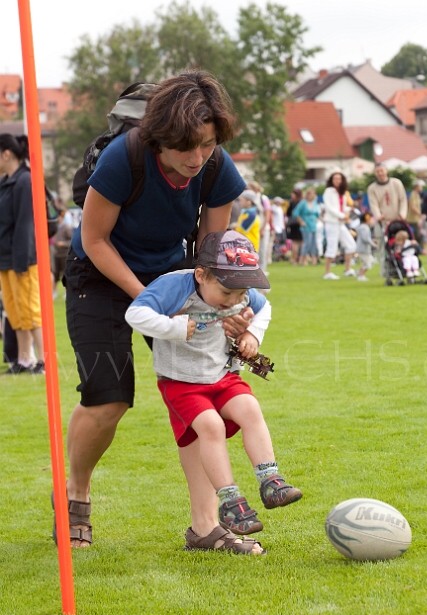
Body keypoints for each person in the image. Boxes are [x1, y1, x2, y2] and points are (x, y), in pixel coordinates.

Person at [60, 70, 252, 548]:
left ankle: (205, 526)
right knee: (109, 397)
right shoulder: (123, 159)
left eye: (207, 145)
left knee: (200, 393)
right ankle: (75, 492)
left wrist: (222, 307)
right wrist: (145, 300)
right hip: (100, 276)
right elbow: (94, 239)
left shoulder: (215, 167)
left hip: (175, 278)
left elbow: (212, 253)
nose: (196, 158)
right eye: (186, 147)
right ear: (160, 137)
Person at [125, 230, 302, 554]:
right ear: (201, 274)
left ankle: (271, 481)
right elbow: (135, 314)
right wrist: (175, 328)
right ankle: (230, 501)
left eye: (242, 293)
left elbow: (265, 308)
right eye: (226, 292)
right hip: (182, 382)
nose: (235, 300)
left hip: (222, 374)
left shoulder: (239, 293)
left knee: (250, 409)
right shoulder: (173, 286)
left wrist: (252, 335)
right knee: (211, 427)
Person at [0, 134, 45, 375]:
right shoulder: (4, 182)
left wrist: (21, 260)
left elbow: (25, 224)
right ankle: (24, 358)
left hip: (22, 259)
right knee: (15, 312)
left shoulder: (24, 181)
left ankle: (43, 359)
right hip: (5, 259)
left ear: (6, 153)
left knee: (30, 310)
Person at [367, 163, 408, 276]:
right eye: (378, 171)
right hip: (383, 221)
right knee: (383, 246)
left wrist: (402, 214)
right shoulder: (372, 188)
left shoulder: (396, 183)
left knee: (400, 244)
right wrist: (378, 215)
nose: (380, 173)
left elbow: (403, 199)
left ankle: (403, 267)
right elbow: (373, 204)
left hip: (397, 220)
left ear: (386, 171)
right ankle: (386, 271)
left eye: (382, 170)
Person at [322, 171, 357, 279]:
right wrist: (342, 215)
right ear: (332, 180)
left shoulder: (342, 193)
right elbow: (329, 207)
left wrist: (348, 210)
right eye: (335, 179)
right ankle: (327, 273)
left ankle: (347, 269)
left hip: (340, 223)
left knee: (351, 245)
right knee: (332, 247)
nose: (337, 181)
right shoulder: (329, 191)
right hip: (332, 223)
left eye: (339, 179)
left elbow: (341, 206)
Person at [292, 185, 321, 266]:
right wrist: (301, 221)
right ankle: (302, 259)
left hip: (313, 225)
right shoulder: (303, 203)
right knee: (306, 243)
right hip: (305, 225)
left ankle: (314, 259)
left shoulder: (315, 203)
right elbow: (295, 213)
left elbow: (317, 214)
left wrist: (317, 219)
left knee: (313, 243)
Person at [51, 206, 74, 298]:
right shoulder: (55, 228)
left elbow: (71, 242)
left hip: (64, 254)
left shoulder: (66, 228)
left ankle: (67, 292)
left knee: (65, 274)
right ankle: (54, 292)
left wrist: (63, 244)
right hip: (55, 254)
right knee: (55, 274)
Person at [355, 212, 377, 281]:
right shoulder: (364, 228)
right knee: (368, 263)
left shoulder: (364, 227)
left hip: (364, 249)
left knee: (369, 261)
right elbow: (365, 238)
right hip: (363, 249)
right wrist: (373, 244)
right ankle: (361, 275)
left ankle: (359, 272)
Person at [285, 188, 304, 264]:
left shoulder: (292, 202)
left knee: (295, 243)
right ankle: (300, 259)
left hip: (293, 224)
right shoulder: (302, 202)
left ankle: (294, 259)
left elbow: (288, 213)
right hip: (300, 223)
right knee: (300, 242)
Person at [406, 180, 425, 246]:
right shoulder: (413, 194)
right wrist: (420, 214)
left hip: (416, 218)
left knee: (418, 234)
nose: (421, 188)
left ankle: (418, 247)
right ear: (417, 187)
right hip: (412, 219)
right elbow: (412, 206)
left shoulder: (417, 195)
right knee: (417, 234)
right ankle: (418, 248)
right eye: (420, 187)